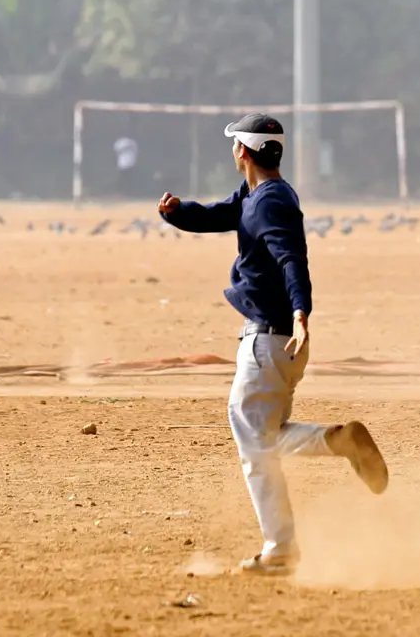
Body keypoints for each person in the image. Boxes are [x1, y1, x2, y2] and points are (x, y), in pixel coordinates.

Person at [157, 113, 388, 575]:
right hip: (279, 342)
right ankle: (337, 443)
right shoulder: (261, 195)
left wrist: (302, 312)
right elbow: (221, 215)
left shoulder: (268, 204)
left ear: (242, 151)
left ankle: (283, 547)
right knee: (265, 437)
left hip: (271, 339)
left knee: (255, 444)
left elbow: (291, 260)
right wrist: (178, 213)